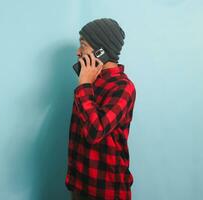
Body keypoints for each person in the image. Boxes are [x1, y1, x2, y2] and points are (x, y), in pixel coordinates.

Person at [65, 18, 137, 200]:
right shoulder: (90, 82)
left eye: (83, 45)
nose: (78, 52)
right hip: (80, 185)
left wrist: (84, 85)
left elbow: (95, 131)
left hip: (106, 191)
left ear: (101, 51)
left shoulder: (123, 87)